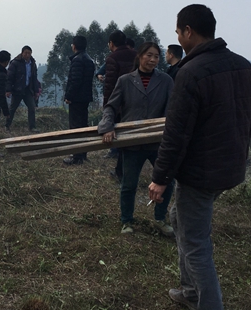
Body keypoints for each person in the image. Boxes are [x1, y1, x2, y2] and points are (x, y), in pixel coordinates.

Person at [148, 4, 251, 310]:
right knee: (181, 221)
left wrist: (160, 178)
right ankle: (190, 291)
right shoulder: (243, 66)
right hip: (229, 166)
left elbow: (176, 133)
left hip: (201, 171)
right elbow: (250, 122)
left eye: (178, 32)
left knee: (196, 244)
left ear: (188, 31)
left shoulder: (191, 72)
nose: (177, 38)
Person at [99, 42, 175, 236]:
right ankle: (126, 221)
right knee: (129, 184)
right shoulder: (125, 80)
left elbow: (172, 109)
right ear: (140, 56)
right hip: (132, 142)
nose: (153, 59)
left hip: (157, 142)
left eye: (156, 56)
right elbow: (111, 106)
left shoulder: (166, 81)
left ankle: (160, 218)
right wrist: (107, 126)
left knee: (167, 181)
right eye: (149, 55)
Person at [104, 30, 138, 178]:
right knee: (131, 138)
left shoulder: (113, 58)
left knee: (122, 138)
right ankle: (125, 170)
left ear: (111, 43)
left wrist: (107, 106)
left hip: (119, 103)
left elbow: (110, 85)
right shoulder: (136, 55)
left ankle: (121, 172)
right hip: (136, 101)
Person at [63, 35, 96, 165]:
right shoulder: (89, 59)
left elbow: (75, 81)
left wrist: (69, 96)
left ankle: (76, 156)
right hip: (85, 97)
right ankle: (83, 153)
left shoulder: (77, 60)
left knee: (75, 127)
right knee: (83, 125)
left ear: (74, 46)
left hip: (77, 98)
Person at [5, 45, 40, 132]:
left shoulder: (32, 64)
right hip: (17, 89)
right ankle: (7, 126)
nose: (27, 55)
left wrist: (36, 91)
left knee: (32, 107)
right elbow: (9, 77)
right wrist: (8, 90)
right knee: (12, 109)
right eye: (26, 53)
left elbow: (34, 78)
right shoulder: (15, 63)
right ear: (22, 53)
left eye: (29, 53)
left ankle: (32, 127)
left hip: (28, 89)